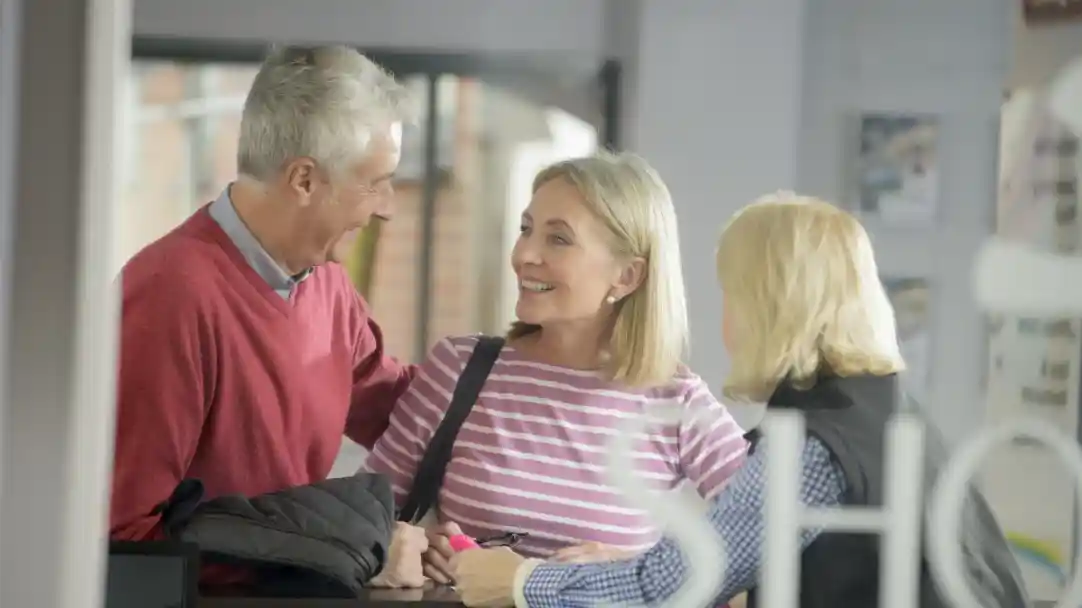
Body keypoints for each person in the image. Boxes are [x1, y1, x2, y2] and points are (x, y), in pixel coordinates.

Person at [449, 193, 1030, 607]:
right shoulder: (887, 412)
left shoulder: (813, 448)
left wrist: (521, 583)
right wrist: (623, 567)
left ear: (767, 305)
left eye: (731, 295)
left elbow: (675, 588)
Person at [110, 46, 428, 587]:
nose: (387, 205)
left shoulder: (325, 282)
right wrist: (354, 546)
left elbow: (401, 411)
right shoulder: (167, 298)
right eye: (375, 182)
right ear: (304, 180)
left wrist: (541, 369)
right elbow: (126, 544)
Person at [364, 153, 748, 583]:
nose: (525, 254)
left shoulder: (675, 401)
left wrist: (637, 575)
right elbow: (363, 522)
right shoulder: (459, 369)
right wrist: (409, 549)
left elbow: (771, 540)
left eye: (558, 239)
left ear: (626, 276)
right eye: (526, 229)